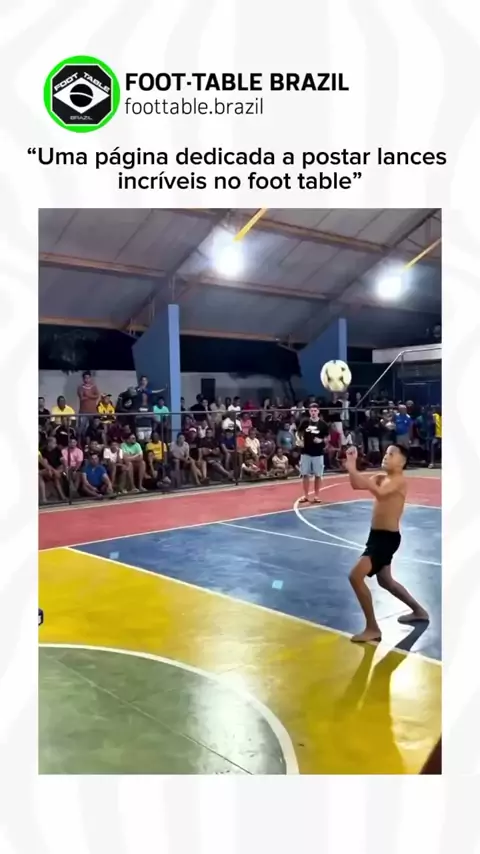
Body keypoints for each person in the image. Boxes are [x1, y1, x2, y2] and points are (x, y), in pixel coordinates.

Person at [344, 444, 429, 643]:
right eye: (386, 453)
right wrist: (351, 464)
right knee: (385, 581)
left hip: (386, 538)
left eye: (391, 454)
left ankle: (373, 628)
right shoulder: (381, 478)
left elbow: (381, 493)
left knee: (355, 576)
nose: (386, 456)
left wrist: (355, 470)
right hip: (376, 536)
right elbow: (357, 484)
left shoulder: (399, 481)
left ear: (402, 462)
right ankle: (419, 611)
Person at [297, 402, 329, 504]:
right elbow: (298, 432)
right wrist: (299, 440)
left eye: (315, 411)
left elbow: (327, 437)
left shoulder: (323, 424)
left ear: (318, 411)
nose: (313, 413)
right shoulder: (305, 422)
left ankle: (316, 496)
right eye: (311, 411)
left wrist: (321, 440)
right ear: (309, 412)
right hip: (305, 452)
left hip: (318, 453)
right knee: (305, 474)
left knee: (318, 475)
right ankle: (306, 495)